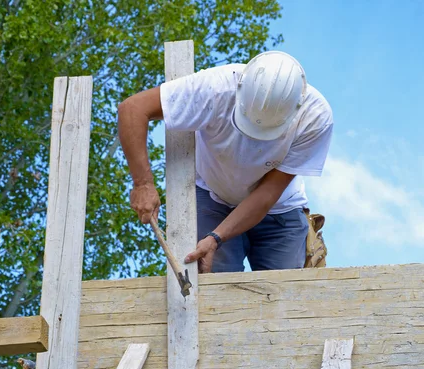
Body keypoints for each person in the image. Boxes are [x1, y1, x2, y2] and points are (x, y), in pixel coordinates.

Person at [118, 50, 333, 273]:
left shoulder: (315, 118)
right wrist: (143, 184)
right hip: (213, 195)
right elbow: (132, 109)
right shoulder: (215, 88)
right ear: (239, 90)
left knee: (282, 294)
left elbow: (268, 193)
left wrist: (216, 238)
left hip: (279, 207)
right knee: (217, 285)